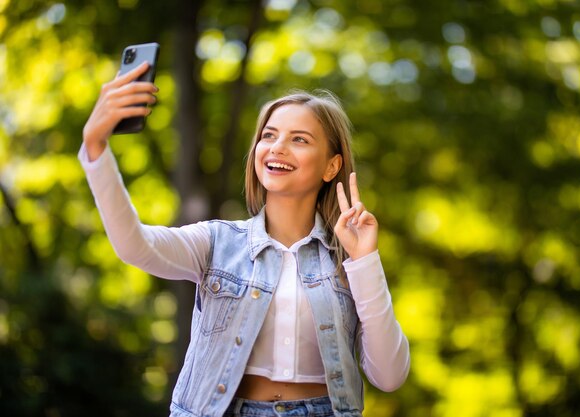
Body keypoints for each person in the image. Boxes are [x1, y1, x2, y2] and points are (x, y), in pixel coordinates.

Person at [80, 61, 410, 417]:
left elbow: (389, 377)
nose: (277, 147)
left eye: (299, 139)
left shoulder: (348, 260)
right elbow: (136, 246)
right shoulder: (216, 241)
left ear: (331, 166)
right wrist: (96, 148)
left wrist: (364, 261)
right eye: (269, 135)